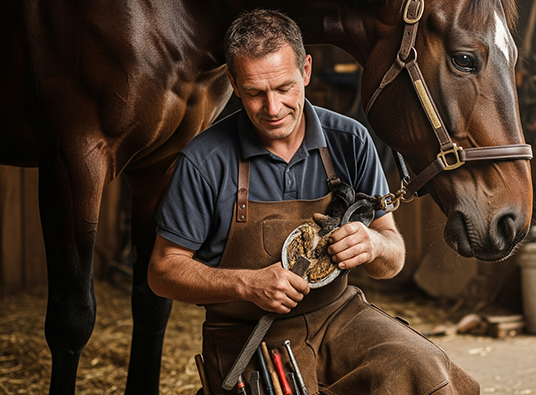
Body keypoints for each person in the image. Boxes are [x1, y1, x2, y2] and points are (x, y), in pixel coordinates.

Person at [148, 9, 478, 395]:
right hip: (248, 334)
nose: (272, 109)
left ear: (305, 70)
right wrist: (247, 284)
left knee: (423, 367)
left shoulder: (349, 140)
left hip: (341, 316)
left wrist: (374, 245)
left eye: (284, 87)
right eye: (255, 93)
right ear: (233, 83)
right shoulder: (204, 161)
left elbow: (392, 258)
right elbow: (162, 271)